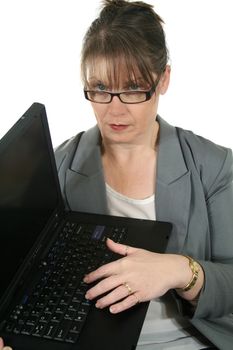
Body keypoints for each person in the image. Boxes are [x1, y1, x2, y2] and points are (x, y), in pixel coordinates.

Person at [1, 0, 233, 349]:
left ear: (163, 79)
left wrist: (180, 270)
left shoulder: (214, 166)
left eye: (134, 88)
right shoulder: (60, 166)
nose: (115, 108)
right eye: (100, 88)